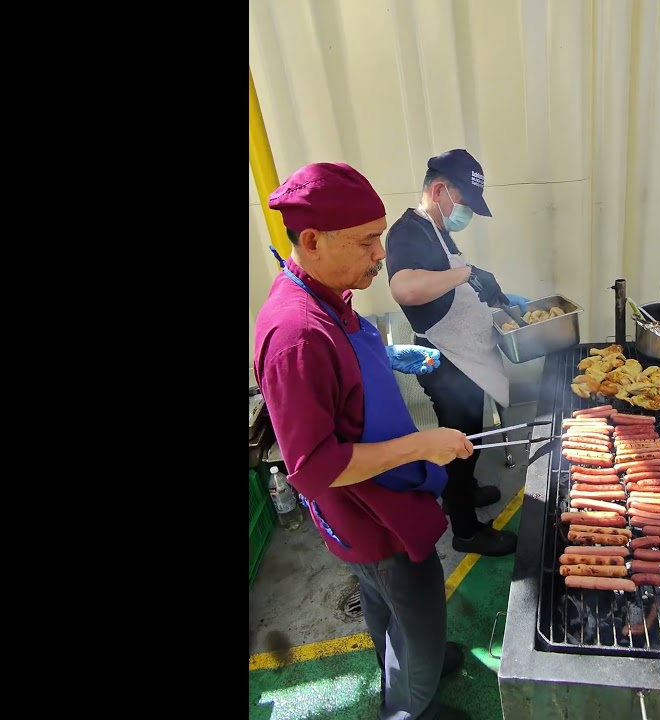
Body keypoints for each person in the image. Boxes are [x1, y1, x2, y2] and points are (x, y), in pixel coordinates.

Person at [254, 161, 475, 720]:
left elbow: (342, 361)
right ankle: (410, 708)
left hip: (363, 510)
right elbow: (312, 468)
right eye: (368, 241)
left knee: (382, 602)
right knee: (414, 600)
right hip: (369, 510)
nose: (382, 253)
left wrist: (387, 355)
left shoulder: (324, 290)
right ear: (312, 240)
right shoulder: (297, 335)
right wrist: (424, 445)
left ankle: (406, 662)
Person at [385, 149, 525, 557]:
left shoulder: (437, 229)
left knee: (471, 437)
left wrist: (493, 296)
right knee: (458, 443)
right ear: (441, 190)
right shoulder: (408, 230)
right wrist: (468, 273)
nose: (464, 215)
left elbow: (446, 283)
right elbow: (405, 288)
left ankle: (459, 493)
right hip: (444, 358)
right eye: (463, 204)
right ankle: (466, 530)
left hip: (466, 357)